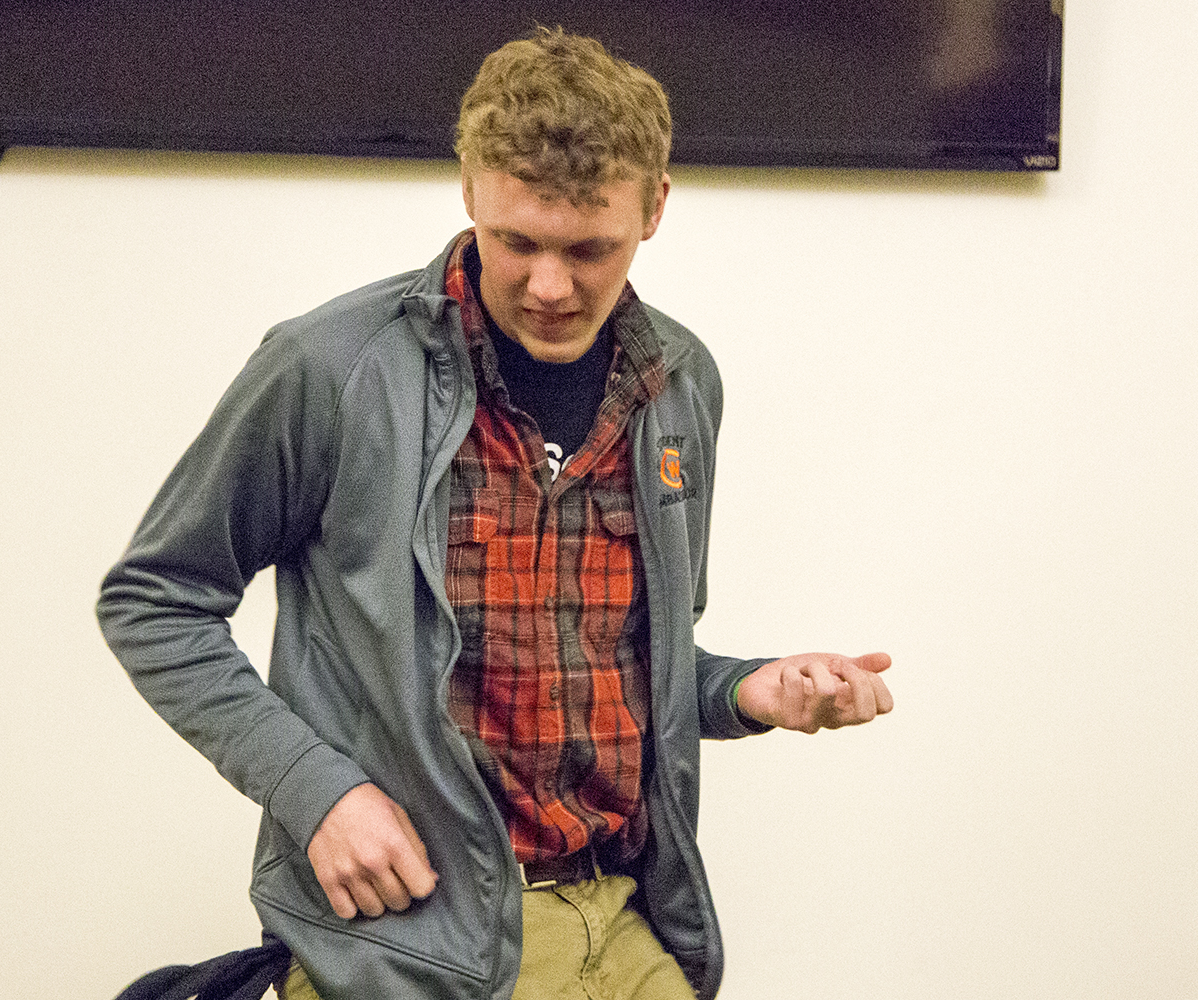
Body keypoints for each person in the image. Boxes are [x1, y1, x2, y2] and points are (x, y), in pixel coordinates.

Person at [97, 27, 892, 1000]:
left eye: (588, 248)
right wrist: (317, 793)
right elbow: (154, 597)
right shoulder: (331, 367)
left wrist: (752, 690)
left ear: (655, 208)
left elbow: (625, 672)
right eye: (516, 241)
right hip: (413, 951)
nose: (550, 286)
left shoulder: (681, 384)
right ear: (469, 188)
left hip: (631, 928)